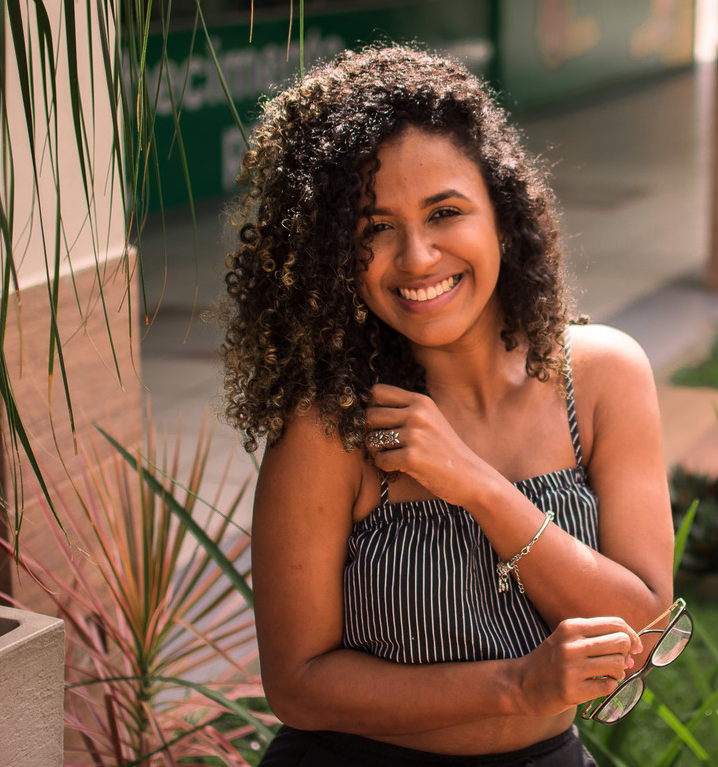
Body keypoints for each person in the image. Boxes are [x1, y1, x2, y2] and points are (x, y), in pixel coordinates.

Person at [220, 44, 674, 766]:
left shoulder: (601, 378)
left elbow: (643, 631)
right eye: (375, 229)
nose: (418, 257)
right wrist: (515, 686)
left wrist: (479, 486)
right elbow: (299, 686)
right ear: (336, 253)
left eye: (446, 212)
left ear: (503, 213)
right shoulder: (333, 422)